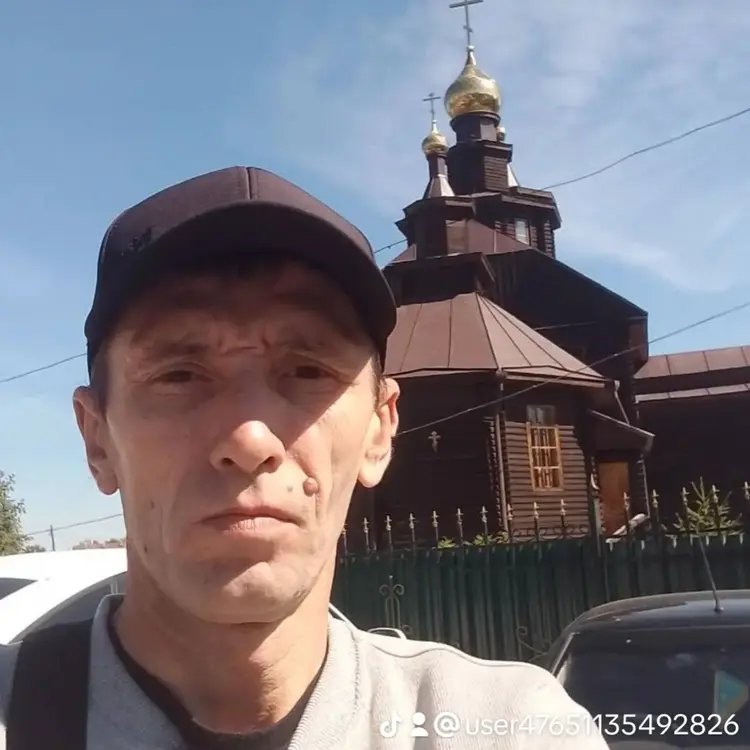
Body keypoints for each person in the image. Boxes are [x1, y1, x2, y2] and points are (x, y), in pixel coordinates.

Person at [0, 167, 608, 749]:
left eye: (308, 370)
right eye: (179, 375)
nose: (250, 440)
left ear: (379, 429)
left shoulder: (508, 727)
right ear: (97, 440)